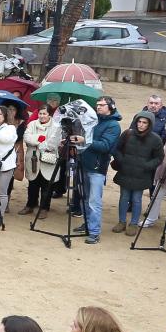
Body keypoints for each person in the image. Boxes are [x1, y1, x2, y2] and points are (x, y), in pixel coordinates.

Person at [70, 97, 121, 244]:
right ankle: (87, 225)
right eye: (97, 105)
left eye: (102, 105)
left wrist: (84, 140)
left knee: (94, 201)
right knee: (85, 198)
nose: (98, 107)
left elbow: (105, 146)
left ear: (110, 106)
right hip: (83, 163)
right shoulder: (92, 119)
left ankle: (94, 232)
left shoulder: (113, 125)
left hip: (97, 168)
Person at [112, 108, 163, 235]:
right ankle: (122, 221)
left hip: (141, 174)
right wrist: (121, 160)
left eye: (145, 122)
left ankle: (134, 223)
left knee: (136, 199)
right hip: (126, 171)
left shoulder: (155, 139)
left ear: (150, 124)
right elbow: (117, 149)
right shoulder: (127, 134)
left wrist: (147, 166)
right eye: (139, 122)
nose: (141, 125)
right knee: (124, 198)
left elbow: (159, 157)